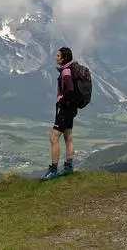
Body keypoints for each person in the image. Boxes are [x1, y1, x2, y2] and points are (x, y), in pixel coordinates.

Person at [43, 46, 78, 180]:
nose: (56, 58)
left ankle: (53, 170)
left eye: (58, 56)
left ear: (64, 58)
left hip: (65, 108)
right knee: (68, 136)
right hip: (71, 108)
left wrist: (61, 98)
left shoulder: (66, 72)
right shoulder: (70, 69)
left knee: (54, 137)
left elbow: (69, 88)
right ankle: (68, 167)